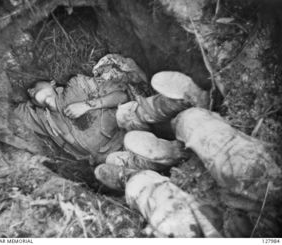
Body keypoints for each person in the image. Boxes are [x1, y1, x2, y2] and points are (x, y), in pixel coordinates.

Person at [95, 107, 282, 237]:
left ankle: (133, 178)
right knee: (191, 120)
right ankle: (178, 152)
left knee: (166, 210)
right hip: (273, 191)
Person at [15, 54, 149, 164]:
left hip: (127, 139)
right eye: (29, 94)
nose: (30, 91)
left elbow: (122, 96)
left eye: (34, 86)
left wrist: (87, 105)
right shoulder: (39, 117)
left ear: (52, 83)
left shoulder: (76, 85)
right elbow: (2, 111)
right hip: (107, 162)